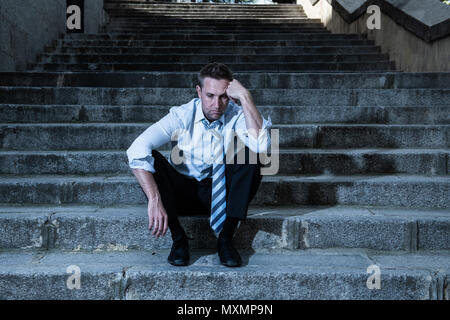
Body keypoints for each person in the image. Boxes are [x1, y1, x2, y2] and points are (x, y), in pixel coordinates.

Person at [126, 62, 272, 267]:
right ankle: (179, 239)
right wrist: (154, 197)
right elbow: (137, 148)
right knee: (153, 160)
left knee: (251, 156)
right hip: (183, 192)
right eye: (210, 95)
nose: (217, 104)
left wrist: (246, 96)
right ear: (199, 91)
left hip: (219, 194)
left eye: (223, 96)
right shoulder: (182, 115)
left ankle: (226, 239)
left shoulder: (237, 113)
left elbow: (261, 145)